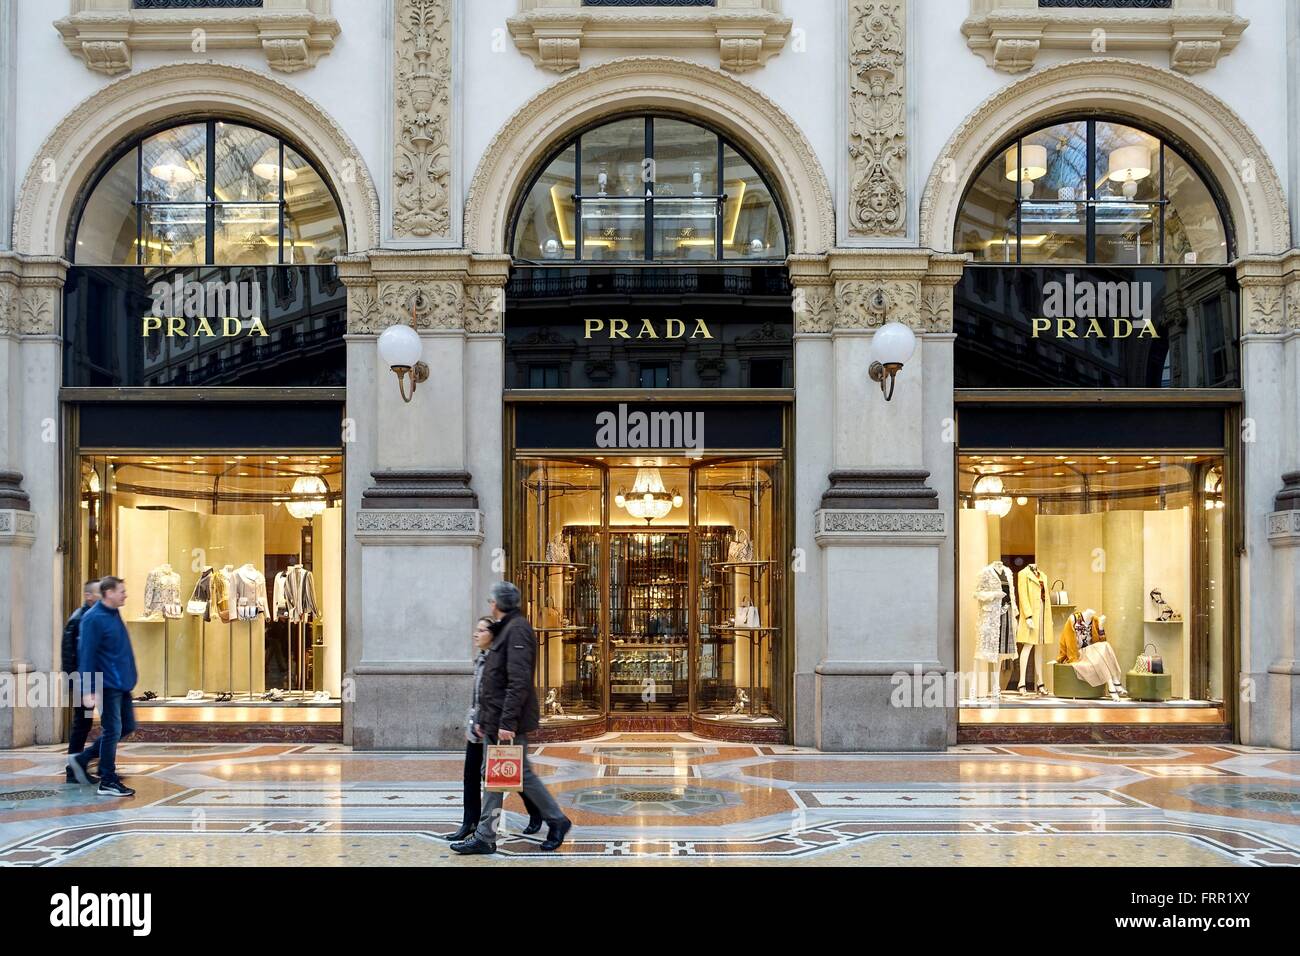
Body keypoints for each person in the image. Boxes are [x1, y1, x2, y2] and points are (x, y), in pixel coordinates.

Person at [451, 582, 572, 855]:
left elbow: (518, 682)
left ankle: (557, 819)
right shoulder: (506, 628)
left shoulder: (517, 630)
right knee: (493, 777)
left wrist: (507, 723)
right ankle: (485, 835)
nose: (490, 606)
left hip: (507, 723)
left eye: (492, 601)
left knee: (520, 775)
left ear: (499, 603)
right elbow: (493, 680)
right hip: (495, 720)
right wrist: (485, 718)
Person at [443, 616, 544, 842]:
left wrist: (498, 723)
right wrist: (472, 721)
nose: (475, 634)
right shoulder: (479, 660)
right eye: (476, 629)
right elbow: (478, 697)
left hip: (492, 727)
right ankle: (469, 823)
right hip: (477, 727)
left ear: (493, 636)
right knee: (471, 777)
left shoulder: (499, 662)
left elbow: (504, 694)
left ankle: (536, 810)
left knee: (504, 774)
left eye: (481, 630)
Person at [66, 576, 139, 797]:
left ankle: (83, 758)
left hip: (121, 682)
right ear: (108, 593)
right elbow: (86, 656)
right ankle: (107, 778)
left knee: (127, 726)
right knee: (113, 729)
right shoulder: (92, 619)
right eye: (121, 591)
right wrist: (87, 690)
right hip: (105, 684)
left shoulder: (113, 613)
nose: (125, 594)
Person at [61, 580, 101, 784]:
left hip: (93, 680)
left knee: (88, 724)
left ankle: (92, 766)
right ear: (88, 596)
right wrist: (78, 684)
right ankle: (74, 768)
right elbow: (69, 655)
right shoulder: (79, 619)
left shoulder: (91, 617)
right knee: (82, 724)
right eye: (98, 593)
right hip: (82, 682)